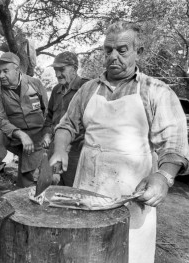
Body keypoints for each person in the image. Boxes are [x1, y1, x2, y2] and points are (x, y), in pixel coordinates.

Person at [49, 21, 189, 263]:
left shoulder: (156, 91)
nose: (113, 56)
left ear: (138, 52)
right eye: (108, 50)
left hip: (132, 195)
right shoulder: (88, 90)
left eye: (122, 50)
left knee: (129, 253)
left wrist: (163, 177)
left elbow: (174, 145)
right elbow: (66, 125)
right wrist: (60, 149)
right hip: (88, 188)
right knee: (86, 252)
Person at [0, 52, 48, 187]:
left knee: (26, 185)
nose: (1, 75)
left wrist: (46, 137)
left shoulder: (35, 84)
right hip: (13, 136)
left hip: (36, 138)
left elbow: (48, 113)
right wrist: (20, 134)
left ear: (17, 69)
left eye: (5, 71)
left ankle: (26, 185)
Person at [42, 51, 89, 186]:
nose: (57, 74)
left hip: (76, 152)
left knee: (72, 191)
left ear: (74, 69)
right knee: (51, 188)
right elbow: (49, 117)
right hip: (55, 148)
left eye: (61, 69)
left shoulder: (86, 87)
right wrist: (46, 134)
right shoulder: (56, 90)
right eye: (55, 70)